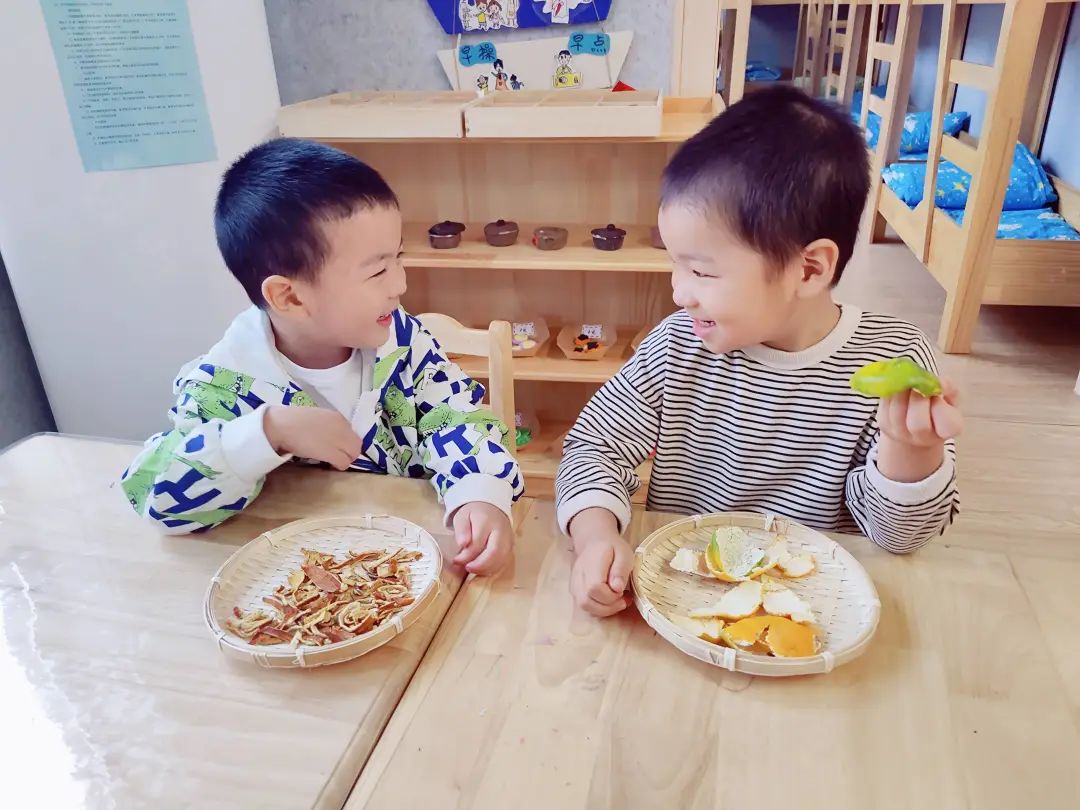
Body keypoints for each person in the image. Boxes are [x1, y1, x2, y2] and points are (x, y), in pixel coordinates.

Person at [556, 87, 962, 616]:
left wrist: (910, 451)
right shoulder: (678, 345)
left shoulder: (895, 360)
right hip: (682, 600)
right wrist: (595, 535)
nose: (679, 292)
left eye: (701, 271)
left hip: (809, 614)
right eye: (676, 263)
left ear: (808, 269)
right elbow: (594, 447)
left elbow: (899, 540)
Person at [121, 138, 522, 576]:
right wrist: (266, 433)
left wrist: (479, 490)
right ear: (290, 297)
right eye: (378, 270)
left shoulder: (402, 338)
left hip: (413, 559)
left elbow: (456, 415)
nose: (400, 284)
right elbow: (160, 501)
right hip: (300, 579)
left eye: (398, 258)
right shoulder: (224, 387)